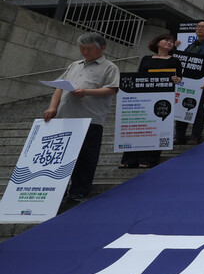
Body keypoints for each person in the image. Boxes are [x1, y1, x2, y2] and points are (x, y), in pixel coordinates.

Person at [42, 33, 120, 202]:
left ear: (102, 48)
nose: (85, 52)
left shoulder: (110, 67)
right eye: (82, 48)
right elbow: (59, 88)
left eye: (89, 49)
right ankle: (58, 190)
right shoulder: (74, 65)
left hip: (90, 120)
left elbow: (112, 89)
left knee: (85, 157)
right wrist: (52, 108)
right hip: (64, 118)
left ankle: (79, 190)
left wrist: (86, 92)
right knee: (60, 156)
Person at [119, 34, 183, 169]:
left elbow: (179, 78)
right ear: (157, 42)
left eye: (171, 42)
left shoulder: (175, 60)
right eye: (166, 40)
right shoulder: (146, 59)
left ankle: (148, 159)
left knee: (156, 127)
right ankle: (129, 159)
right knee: (138, 126)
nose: (169, 43)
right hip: (143, 97)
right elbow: (139, 76)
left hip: (162, 98)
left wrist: (177, 80)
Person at [175, 20, 204, 144]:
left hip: (200, 82)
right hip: (186, 81)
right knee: (181, 107)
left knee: (198, 108)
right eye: (198, 26)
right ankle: (179, 136)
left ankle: (195, 136)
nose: (199, 29)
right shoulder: (191, 45)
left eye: (203, 27)